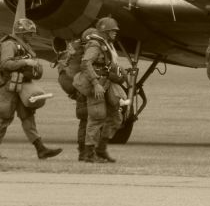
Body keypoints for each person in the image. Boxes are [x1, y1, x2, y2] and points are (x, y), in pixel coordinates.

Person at [0, 19, 62, 160]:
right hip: (8, 87)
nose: (31, 36)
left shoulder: (24, 46)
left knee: (28, 118)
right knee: (3, 119)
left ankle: (41, 150)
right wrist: (25, 62)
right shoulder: (9, 44)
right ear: (21, 32)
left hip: (21, 86)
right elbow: (4, 63)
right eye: (29, 33)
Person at [73, 17, 126, 163]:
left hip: (107, 83)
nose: (115, 33)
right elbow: (85, 63)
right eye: (112, 31)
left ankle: (101, 150)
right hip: (97, 85)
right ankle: (89, 154)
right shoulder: (95, 46)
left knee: (116, 118)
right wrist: (96, 83)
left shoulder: (106, 45)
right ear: (105, 31)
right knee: (96, 117)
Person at [55, 27, 97, 161]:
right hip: (83, 90)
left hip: (73, 87)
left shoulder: (73, 48)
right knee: (91, 121)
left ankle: (82, 152)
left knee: (84, 122)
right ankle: (88, 152)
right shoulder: (87, 53)